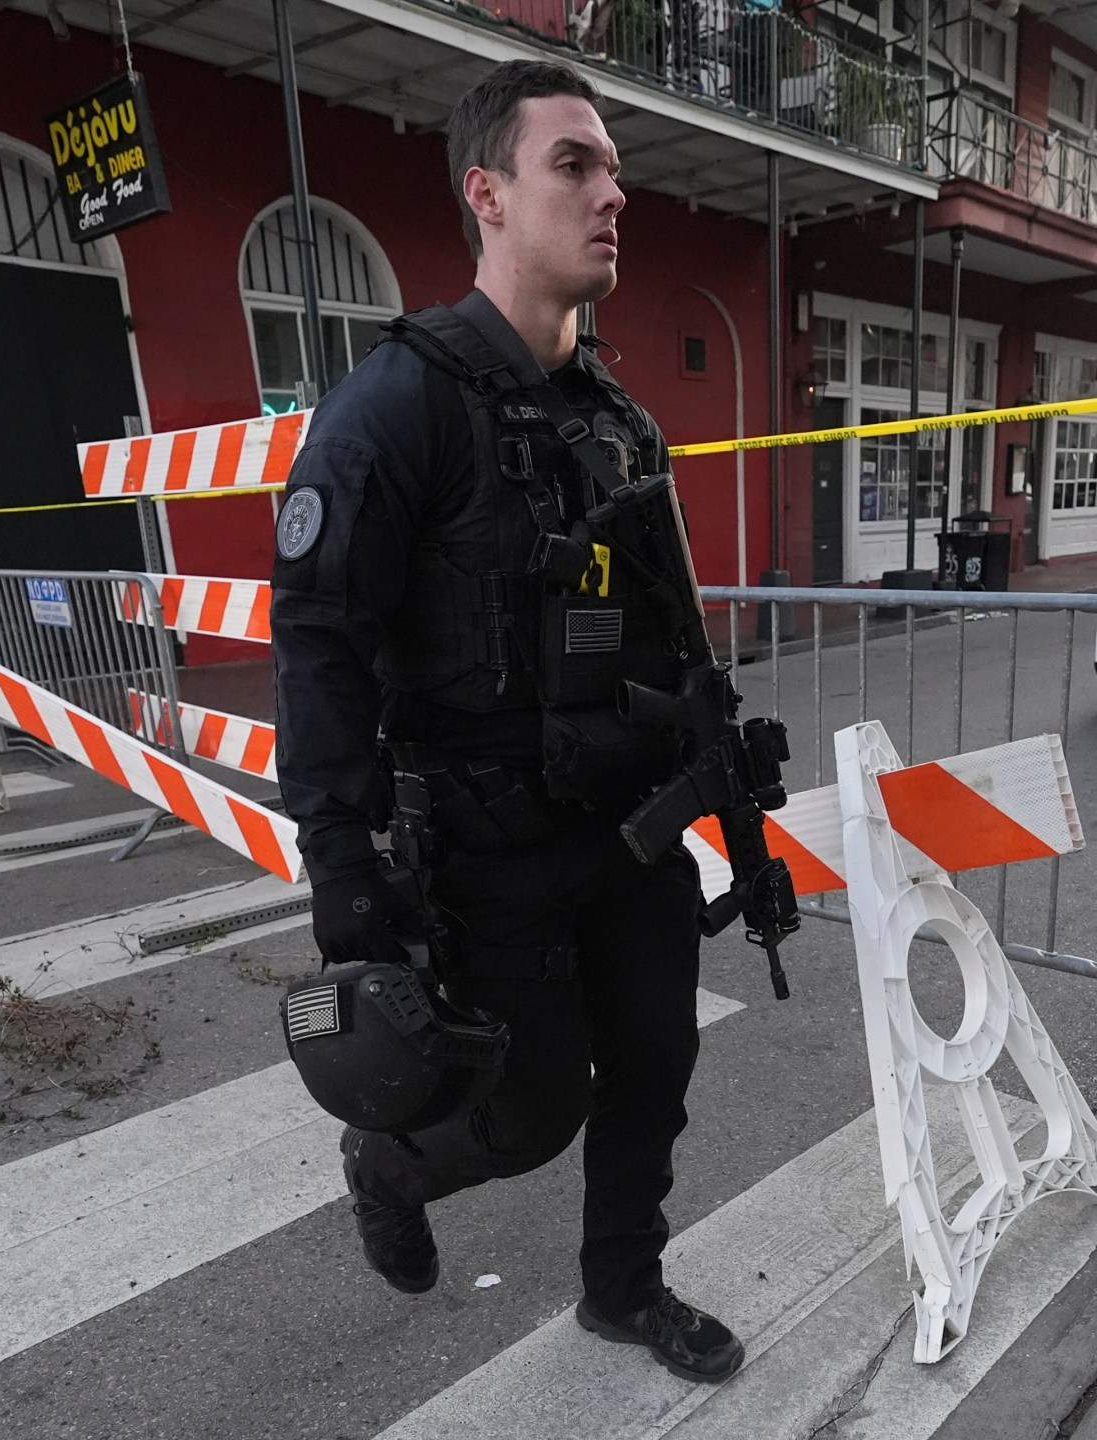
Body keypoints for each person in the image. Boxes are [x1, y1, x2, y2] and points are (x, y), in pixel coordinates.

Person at [270, 59, 743, 1384]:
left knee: (654, 1060)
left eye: (614, 169)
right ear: (487, 193)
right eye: (574, 166)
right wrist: (345, 878)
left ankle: (624, 1288)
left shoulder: (614, 422)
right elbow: (318, 648)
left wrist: (714, 757)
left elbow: (667, 632)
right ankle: (391, 1164)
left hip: (624, 825)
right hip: (485, 843)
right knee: (533, 1110)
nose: (612, 193)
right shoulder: (396, 407)